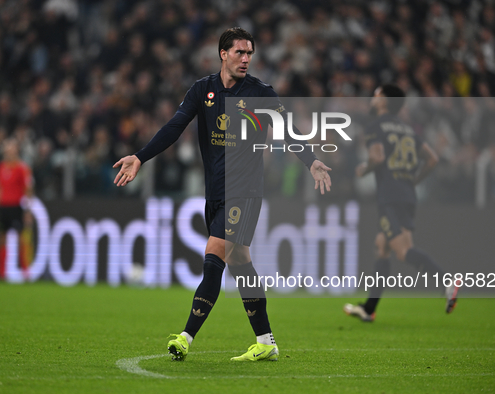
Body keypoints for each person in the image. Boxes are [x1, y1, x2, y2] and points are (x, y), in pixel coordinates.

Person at [113, 27, 332, 361]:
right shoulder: (203, 90)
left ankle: (186, 336)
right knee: (241, 262)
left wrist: (312, 160)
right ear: (223, 54)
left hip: (244, 193)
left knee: (214, 253)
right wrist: (141, 156)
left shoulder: (260, 92)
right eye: (240, 53)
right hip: (215, 192)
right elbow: (174, 126)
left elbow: (289, 130)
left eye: (249, 54)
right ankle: (266, 341)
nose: (246, 59)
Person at [344, 84, 459, 322]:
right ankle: (369, 309)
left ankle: (446, 282)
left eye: (376, 94)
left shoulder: (375, 126)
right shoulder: (406, 129)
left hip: (390, 196)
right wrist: (411, 181)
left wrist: (364, 169)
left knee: (403, 251)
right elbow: (432, 159)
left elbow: (377, 157)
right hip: (406, 194)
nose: (373, 98)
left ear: (384, 101)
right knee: (381, 247)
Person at [0, 138, 34, 280]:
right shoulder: (1, 167)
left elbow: (28, 190)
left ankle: (26, 272)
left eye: (11, 149)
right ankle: (2, 273)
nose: (8, 152)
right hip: (3, 207)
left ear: (16, 151)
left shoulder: (22, 168)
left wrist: (27, 210)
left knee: (22, 239)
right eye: (6, 149)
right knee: (1, 238)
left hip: (16, 207)